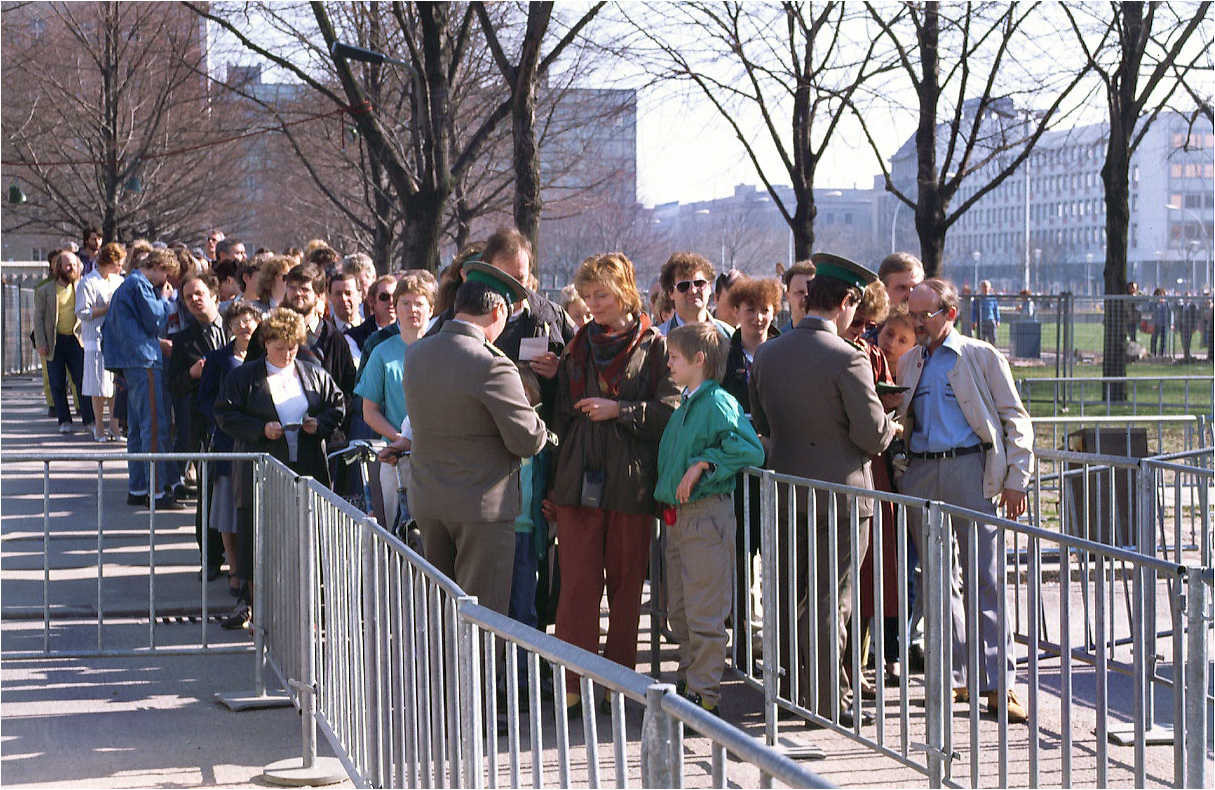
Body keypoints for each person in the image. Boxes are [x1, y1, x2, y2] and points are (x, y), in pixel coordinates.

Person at [748, 252, 898, 726]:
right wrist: (893, 424)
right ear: (848, 301)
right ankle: (830, 700)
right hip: (842, 496)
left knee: (792, 595)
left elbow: (763, 422)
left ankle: (792, 689)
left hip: (789, 490)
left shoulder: (768, 353)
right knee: (833, 599)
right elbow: (871, 436)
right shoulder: (848, 357)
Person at [547, 252, 680, 716]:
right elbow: (559, 416)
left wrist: (619, 410)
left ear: (624, 292)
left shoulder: (657, 345)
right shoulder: (576, 342)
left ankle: (620, 684)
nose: (592, 304)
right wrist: (551, 487)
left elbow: (670, 411)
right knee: (578, 587)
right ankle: (573, 685)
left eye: (600, 295)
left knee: (626, 589)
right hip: (576, 478)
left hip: (631, 482)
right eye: (586, 296)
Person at [895, 278, 1033, 724]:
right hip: (920, 471)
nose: (917, 322)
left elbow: (1015, 418)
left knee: (985, 577)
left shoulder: (979, 355)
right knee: (935, 577)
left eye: (925, 315)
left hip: (969, 469)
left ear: (950, 313)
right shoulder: (909, 362)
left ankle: (999, 685)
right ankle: (954, 677)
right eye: (912, 314)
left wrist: (1017, 478)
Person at [380, 273, 547, 624]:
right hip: (481, 509)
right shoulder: (491, 363)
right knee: (481, 621)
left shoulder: (417, 353)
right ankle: (478, 682)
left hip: (430, 501)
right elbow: (527, 440)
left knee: (441, 617)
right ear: (498, 310)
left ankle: (443, 681)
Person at [655, 322, 765, 715]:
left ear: (698, 360)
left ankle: (704, 695)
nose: (668, 364)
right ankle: (690, 684)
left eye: (674, 357)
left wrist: (705, 463)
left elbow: (749, 450)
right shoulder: (689, 402)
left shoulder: (717, 402)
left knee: (703, 611)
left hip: (705, 516)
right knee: (683, 611)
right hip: (682, 519)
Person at [214, 307, 346, 629]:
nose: (287, 354)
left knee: (305, 546)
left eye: (292, 347)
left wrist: (321, 424)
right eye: (279, 347)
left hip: (307, 471)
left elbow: (338, 404)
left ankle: (305, 616)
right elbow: (225, 415)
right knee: (259, 545)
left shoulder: (312, 371)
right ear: (265, 342)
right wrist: (261, 430)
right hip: (261, 476)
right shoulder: (244, 377)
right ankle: (261, 616)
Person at [719, 276, 780, 637]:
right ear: (736, 312)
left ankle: (774, 635)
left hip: (777, 463)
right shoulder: (723, 356)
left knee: (775, 553)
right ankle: (741, 633)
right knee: (740, 553)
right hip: (737, 467)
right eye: (750, 310)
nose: (758, 317)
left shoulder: (783, 350)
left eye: (765, 310)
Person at [102, 248, 184, 509]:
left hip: (129, 360)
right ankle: (157, 491)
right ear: (159, 266)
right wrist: (165, 298)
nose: (166, 280)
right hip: (143, 359)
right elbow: (156, 320)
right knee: (154, 426)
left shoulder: (128, 284)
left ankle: (137, 488)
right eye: (166, 274)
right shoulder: (141, 285)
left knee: (137, 428)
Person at [355, 272, 435, 527]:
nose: (413, 310)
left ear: (431, 309)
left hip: (438, 457)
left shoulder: (443, 350)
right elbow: (369, 410)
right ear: (396, 309)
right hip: (395, 458)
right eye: (406, 303)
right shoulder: (382, 353)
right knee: (394, 530)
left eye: (419, 303)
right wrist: (399, 439)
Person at [197, 302, 262, 598]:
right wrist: (226, 422)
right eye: (238, 321)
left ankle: (251, 572)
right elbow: (205, 400)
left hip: (259, 441)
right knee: (226, 509)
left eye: (250, 320)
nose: (245, 326)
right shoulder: (218, 359)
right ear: (229, 326)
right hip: (226, 441)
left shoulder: (266, 356)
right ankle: (234, 568)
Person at [35, 251, 95, 434]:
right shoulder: (45, 291)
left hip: (77, 340)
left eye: (75, 265)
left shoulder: (81, 287)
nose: (72, 268)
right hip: (55, 341)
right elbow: (38, 319)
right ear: (58, 267)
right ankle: (64, 420)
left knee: (82, 381)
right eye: (68, 265)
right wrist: (41, 343)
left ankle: (89, 419)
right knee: (57, 382)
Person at [76, 242, 126, 441]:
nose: (120, 268)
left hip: (114, 338)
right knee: (98, 385)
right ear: (110, 261)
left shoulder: (117, 281)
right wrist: (105, 308)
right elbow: (82, 311)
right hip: (95, 338)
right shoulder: (88, 282)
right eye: (118, 263)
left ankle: (114, 426)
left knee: (113, 383)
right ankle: (99, 426)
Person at [656, 252, 733, 338]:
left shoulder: (729, 336)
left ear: (709, 288)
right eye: (684, 286)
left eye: (699, 283)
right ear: (671, 293)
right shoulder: (658, 340)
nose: (692, 290)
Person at [347, 274, 398, 352]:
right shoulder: (354, 337)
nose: (391, 301)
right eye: (384, 297)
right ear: (371, 301)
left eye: (395, 297)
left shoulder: (410, 331)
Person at [780, 261, 816, 331]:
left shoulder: (831, 339)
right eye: (800, 292)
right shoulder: (778, 340)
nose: (806, 297)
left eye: (811, 292)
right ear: (788, 296)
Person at [972, 280, 999, 346]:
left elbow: (996, 309)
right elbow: (974, 310)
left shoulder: (992, 298)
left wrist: (998, 320)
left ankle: (992, 355)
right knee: (981, 341)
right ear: (981, 288)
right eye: (984, 287)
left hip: (991, 321)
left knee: (992, 340)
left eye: (986, 287)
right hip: (981, 321)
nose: (985, 289)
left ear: (989, 288)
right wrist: (973, 321)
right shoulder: (978, 298)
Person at [1150, 288, 1171, 357]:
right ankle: (1153, 353)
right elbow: (1152, 310)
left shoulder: (1166, 304)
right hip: (1156, 323)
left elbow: (1169, 313)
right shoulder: (1153, 303)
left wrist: (1170, 323)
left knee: (1163, 339)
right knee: (1154, 338)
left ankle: (1162, 354)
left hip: (1164, 324)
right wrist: (1157, 303)